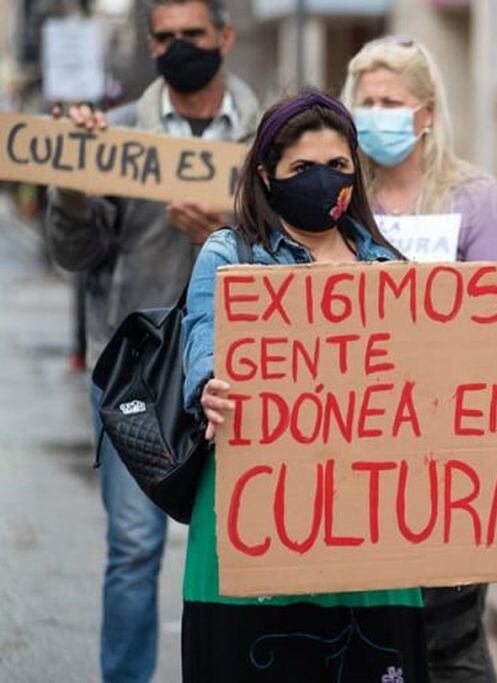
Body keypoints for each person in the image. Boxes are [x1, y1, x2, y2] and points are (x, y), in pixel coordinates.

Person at [182, 88, 497, 682]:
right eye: (302, 169)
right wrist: (211, 386)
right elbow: (203, 344)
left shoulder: (389, 272)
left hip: (369, 551)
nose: (323, 181)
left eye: (338, 167)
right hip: (257, 541)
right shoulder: (229, 255)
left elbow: (446, 384)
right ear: (266, 175)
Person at [43, 1, 260, 681]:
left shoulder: (267, 138)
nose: (177, 47)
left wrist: (223, 241)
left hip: (237, 372)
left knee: (242, 544)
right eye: (163, 37)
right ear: (149, 44)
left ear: (223, 37)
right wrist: (73, 188)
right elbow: (75, 254)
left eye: (191, 35)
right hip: (139, 375)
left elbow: (299, 254)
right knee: (134, 546)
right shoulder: (119, 136)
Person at [341, 36, 497, 681]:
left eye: (390, 101)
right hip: (353, 450)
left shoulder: (474, 201)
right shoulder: (337, 199)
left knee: (447, 637)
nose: (375, 114)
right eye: (364, 101)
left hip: (447, 460)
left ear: (426, 113)